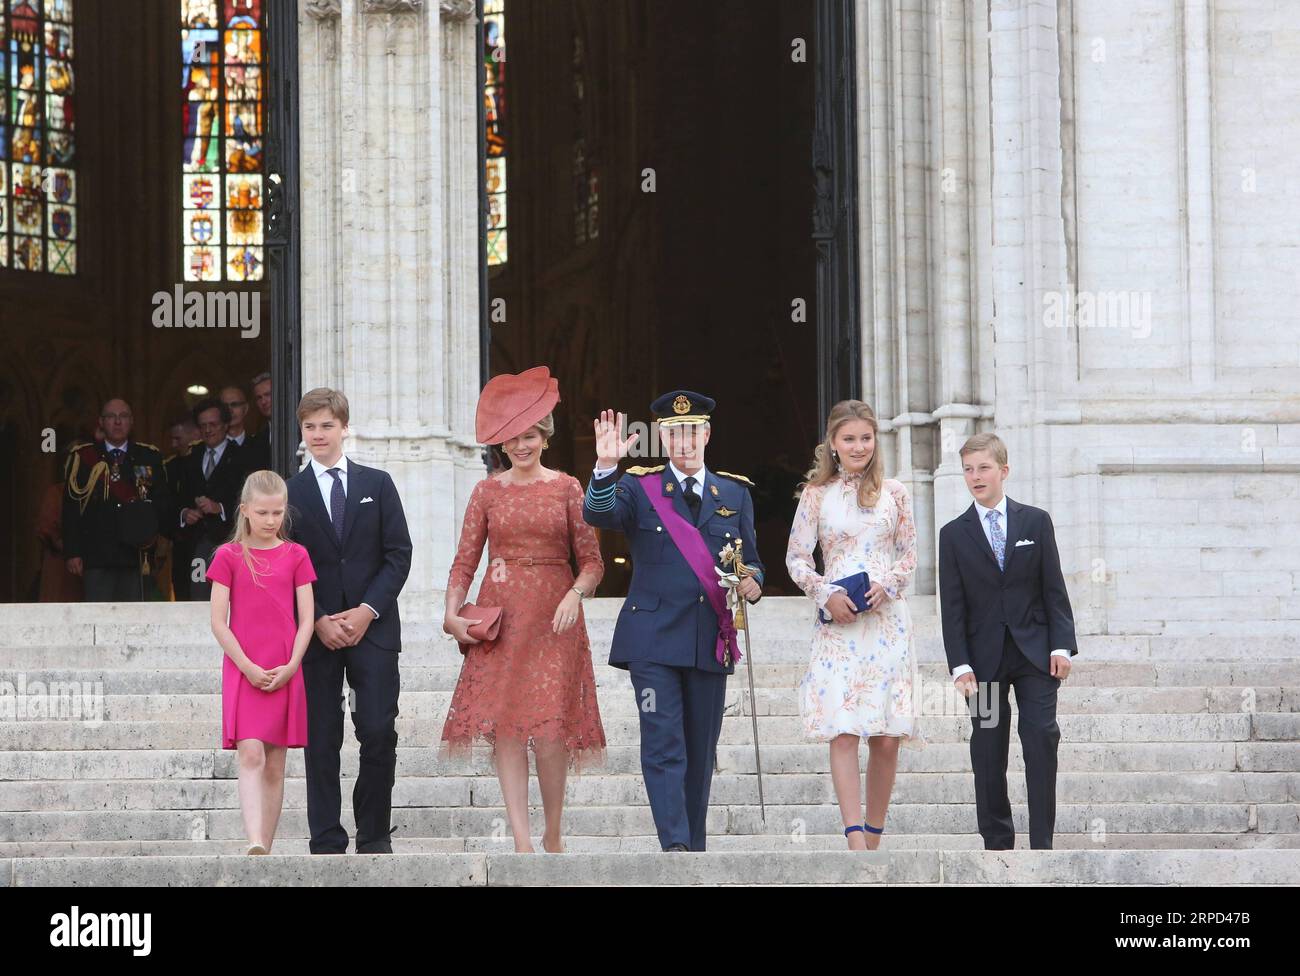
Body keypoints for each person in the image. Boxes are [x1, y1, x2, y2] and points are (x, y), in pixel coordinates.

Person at [583, 391, 764, 852]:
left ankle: (694, 847)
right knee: (663, 742)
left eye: (691, 432)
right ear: (662, 437)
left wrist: (753, 584)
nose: (683, 441)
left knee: (700, 752)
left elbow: (753, 563)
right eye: (674, 433)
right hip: (652, 642)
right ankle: (675, 847)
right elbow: (598, 514)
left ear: (707, 434)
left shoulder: (734, 493)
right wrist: (605, 466)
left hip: (710, 639)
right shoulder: (637, 487)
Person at [442, 366, 606, 853]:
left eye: (530, 434)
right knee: (508, 729)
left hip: (556, 618)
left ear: (545, 437)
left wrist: (575, 595)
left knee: (552, 729)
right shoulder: (487, 491)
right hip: (502, 619)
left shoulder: (569, 488)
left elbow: (593, 563)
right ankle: (521, 840)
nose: (521, 445)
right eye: (512, 437)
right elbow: (464, 560)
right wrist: (451, 614)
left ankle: (553, 832)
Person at [785, 400, 919, 850]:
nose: (858, 446)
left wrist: (889, 584)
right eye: (849, 438)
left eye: (865, 437)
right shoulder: (816, 495)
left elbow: (910, 554)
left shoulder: (896, 492)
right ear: (833, 444)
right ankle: (854, 841)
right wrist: (827, 593)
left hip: (886, 621)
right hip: (837, 626)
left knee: (885, 735)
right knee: (843, 728)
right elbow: (796, 558)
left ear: (875, 440)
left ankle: (876, 835)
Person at [287, 388, 412, 855]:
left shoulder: (377, 484)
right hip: (314, 636)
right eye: (310, 427)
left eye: (326, 425)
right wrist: (317, 619)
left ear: (344, 428)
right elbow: (284, 564)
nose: (318, 434)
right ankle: (326, 838)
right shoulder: (289, 492)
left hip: (373, 630)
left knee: (378, 730)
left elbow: (399, 554)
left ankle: (374, 833)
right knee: (321, 738)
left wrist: (366, 611)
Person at [938, 432, 1077, 850]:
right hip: (980, 665)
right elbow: (952, 607)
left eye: (983, 467)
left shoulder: (1035, 522)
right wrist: (959, 666)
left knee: (1040, 739)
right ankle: (997, 842)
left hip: (1035, 656)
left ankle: (1042, 845)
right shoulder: (952, 534)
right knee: (987, 748)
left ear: (1004, 470)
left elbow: (1053, 588)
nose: (975, 477)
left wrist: (1061, 646)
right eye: (968, 469)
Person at [207, 470, 317, 855]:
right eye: (263, 513)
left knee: (274, 761)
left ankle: (265, 845)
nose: (271, 521)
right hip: (244, 668)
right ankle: (253, 838)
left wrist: (291, 665)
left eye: (277, 513)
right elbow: (218, 622)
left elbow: (307, 619)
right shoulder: (228, 556)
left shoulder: (296, 555)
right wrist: (247, 667)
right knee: (250, 750)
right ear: (245, 511)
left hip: (285, 668)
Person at [62, 398, 173, 601]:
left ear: (131, 422)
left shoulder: (148, 456)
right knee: (98, 619)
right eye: (111, 417)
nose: (117, 422)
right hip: (96, 555)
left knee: (133, 621)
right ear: (101, 422)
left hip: (136, 555)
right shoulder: (84, 457)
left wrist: (154, 539)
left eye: (123, 416)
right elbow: (71, 509)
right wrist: (73, 552)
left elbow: (162, 502)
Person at [173, 399, 245, 600]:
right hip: (195, 547)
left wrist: (219, 508)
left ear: (225, 425)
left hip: (230, 542)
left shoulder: (242, 456)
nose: (208, 430)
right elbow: (177, 498)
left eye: (212, 424)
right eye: (203, 425)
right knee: (198, 599)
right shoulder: (190, 457)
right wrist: (185, 513)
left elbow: (250, 500)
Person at [243, 372, 274, 473]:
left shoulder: (298, 429)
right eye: (259, 398)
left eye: (267, 395)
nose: (263, 402)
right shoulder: (255, 441)